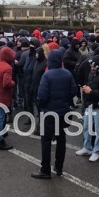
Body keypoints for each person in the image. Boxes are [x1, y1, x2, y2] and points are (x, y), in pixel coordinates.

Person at [32, 49, 78, 178]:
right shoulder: (67, 74)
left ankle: (45, 169)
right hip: (63, 111)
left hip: (49, 112)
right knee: (61, 139)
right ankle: (59, 167)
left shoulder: (47, 75)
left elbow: (41, 95)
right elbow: (73, 91)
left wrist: (42, 107)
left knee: (46, 141)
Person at [75, 55, 99, 162]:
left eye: (93, 66)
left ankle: (96, 151)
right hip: (90, 105)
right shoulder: (91, 73)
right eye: (91, 65)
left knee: (98, 130)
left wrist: (91, 91)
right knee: (86, 126)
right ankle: (87, 147)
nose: (91, 67)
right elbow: (89, 85)